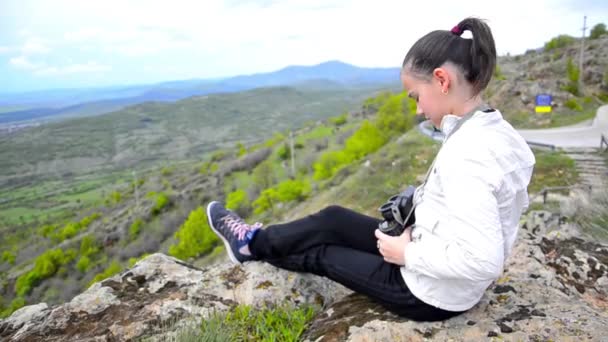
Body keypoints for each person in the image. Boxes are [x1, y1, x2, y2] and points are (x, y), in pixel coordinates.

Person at [206, 17, 535, 322]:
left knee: (323, 254)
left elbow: (483, 261)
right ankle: (254, 240)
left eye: (415, 96)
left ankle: (250, 249)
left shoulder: (470, 154)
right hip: (430, 253)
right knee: (333, 218)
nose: (419, 110)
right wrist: (417, 221)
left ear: (441, 79)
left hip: (428, 293)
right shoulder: (488, 128)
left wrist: (408, 253)